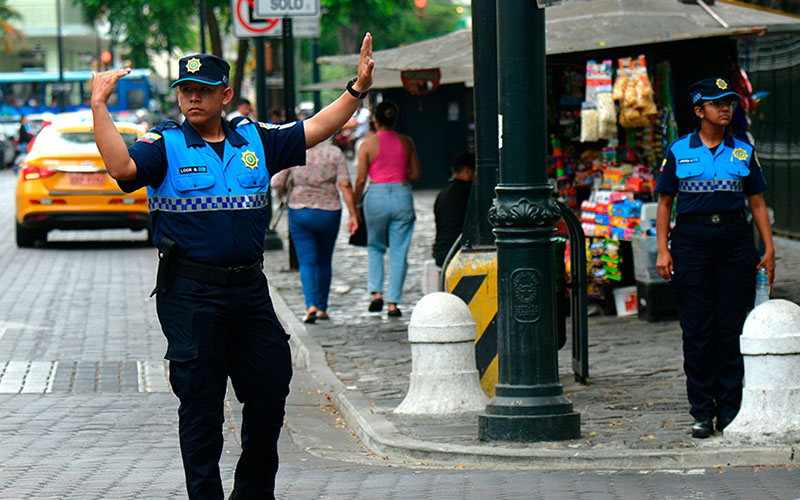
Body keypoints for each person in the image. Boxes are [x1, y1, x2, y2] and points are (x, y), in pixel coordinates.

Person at [90, 34, 374, 500]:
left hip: (249, 292)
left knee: (269, 395)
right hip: (190, 296)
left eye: (203, 89)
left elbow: (317, 126)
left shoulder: (255, 139)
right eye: (186, 89)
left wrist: (357, 89)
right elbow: (122, 169)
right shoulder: (163, 143)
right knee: (201, 408)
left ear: (225, 93)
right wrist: (100, 107)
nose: (193, 97)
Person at [655, 76, 775, 439]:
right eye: (718, 103)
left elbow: (756, 201)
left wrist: (768, 249)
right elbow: (664, 203)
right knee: (697, 331)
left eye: (730, 103)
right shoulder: (678, 151)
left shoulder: (742, 152)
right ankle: (702, 412)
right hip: (691, 242)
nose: (726, 109)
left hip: (735, 242)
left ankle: (731, 409)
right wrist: (663, 249)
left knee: (730, 328)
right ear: (699, 110)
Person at [270, 138, 359, 323]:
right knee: (324, 261)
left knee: (306, 261)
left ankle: (310, 304)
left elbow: (276, 182)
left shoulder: (295, 151)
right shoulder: (334, 153)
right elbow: (344, 184)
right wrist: (353, 214)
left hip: (300, 210)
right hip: (329, 211)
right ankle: (322, 307)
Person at [354, 100, 421, 317]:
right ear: (395, 119)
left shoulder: (367, 144)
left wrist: (356, 204)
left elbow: (361, 178)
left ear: (375, 119)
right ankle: (393, 302)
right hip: (402, 195)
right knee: (399, 250)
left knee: (375, 246)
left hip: (376, 196)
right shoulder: (406, 141)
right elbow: (415, 174)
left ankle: (377, 294)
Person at [433, 152, 475, 267]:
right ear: (467, 171)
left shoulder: (443, 193)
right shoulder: (469, 192)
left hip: (442, 252)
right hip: (457, 252)